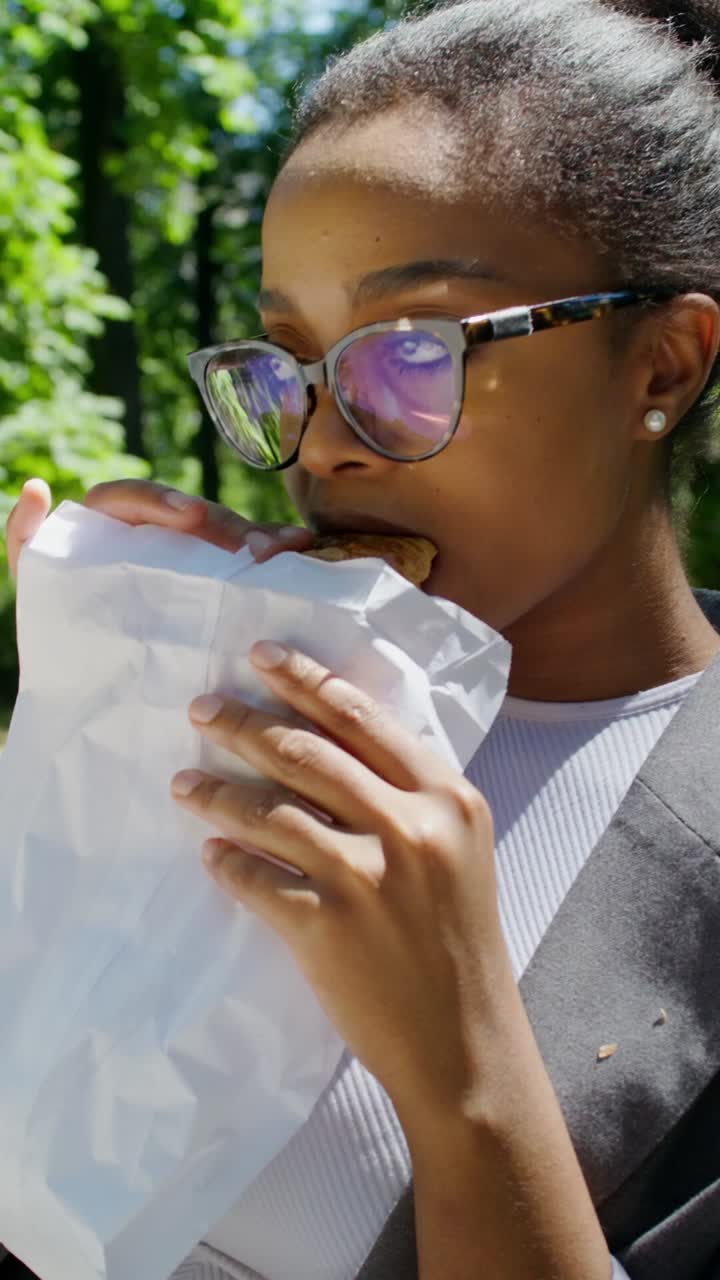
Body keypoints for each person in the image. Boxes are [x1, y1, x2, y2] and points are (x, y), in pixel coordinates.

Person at [5, 0, 720, 1277]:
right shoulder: (231, 670)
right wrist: (99, 719)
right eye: (289, 362)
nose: (323, 441)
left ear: (661, 365)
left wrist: (465, 1075)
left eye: (411, 355)